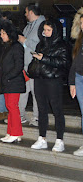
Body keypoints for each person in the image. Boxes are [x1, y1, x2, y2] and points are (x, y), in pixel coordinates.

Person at [27, 19, 69, 152]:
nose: (45, 33)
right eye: (44, 30)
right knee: (41, 109)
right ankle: (42, 138)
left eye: (48, 30)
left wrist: (43, 58)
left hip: (53, 79)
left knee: (57, 110)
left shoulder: (62, 45)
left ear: (55, 31)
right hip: (40, 78)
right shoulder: (41, 44)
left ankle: (59, 139)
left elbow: (63, 62)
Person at [0, 21, 26, 143]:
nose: (1, 36)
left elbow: (19, 65)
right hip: (8, 81)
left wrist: (8, 77)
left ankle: (16, 132)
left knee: (13, 107)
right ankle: (11, 132)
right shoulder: (7, 46)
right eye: (1, 33)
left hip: (13, 81)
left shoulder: (16, 46)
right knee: (10, 106)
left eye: (3, 33)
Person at [18, 4, 45, 126]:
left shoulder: (42, 25)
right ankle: (20, 115)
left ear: (31, 12)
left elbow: (41, 46)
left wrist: (25, 41)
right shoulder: (29, 26)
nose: (25, 15)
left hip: (35, 65)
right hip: (25, 65)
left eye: (26, 12)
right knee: (23, 91)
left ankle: (37, 117)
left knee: (36, 92)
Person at [69, 7, 83, 156]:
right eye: (81, 23)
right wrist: (72, 82)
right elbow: (74, 62)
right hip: (79, 77)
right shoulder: (79, 40)